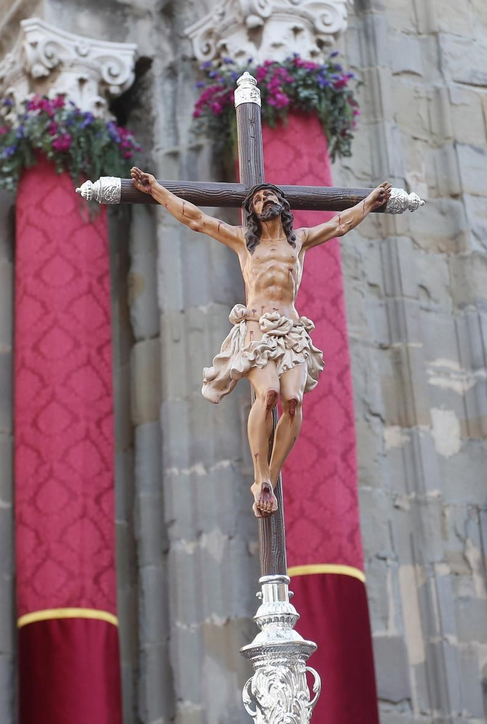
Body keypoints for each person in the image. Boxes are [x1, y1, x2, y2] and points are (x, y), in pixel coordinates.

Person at [129, 168, 391, 516]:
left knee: (293, 401)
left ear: (282, 205)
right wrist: (156, 190)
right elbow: (197, 219)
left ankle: (271, 475)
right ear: (251, 211)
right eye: (257, 199)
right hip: (256, 327)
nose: (264, 200)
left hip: (291, 329)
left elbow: (340, 224)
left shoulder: (299, 241)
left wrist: (369, 202)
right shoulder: (244, 241)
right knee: (268, 394)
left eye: (269, 196)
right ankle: (260, 476)